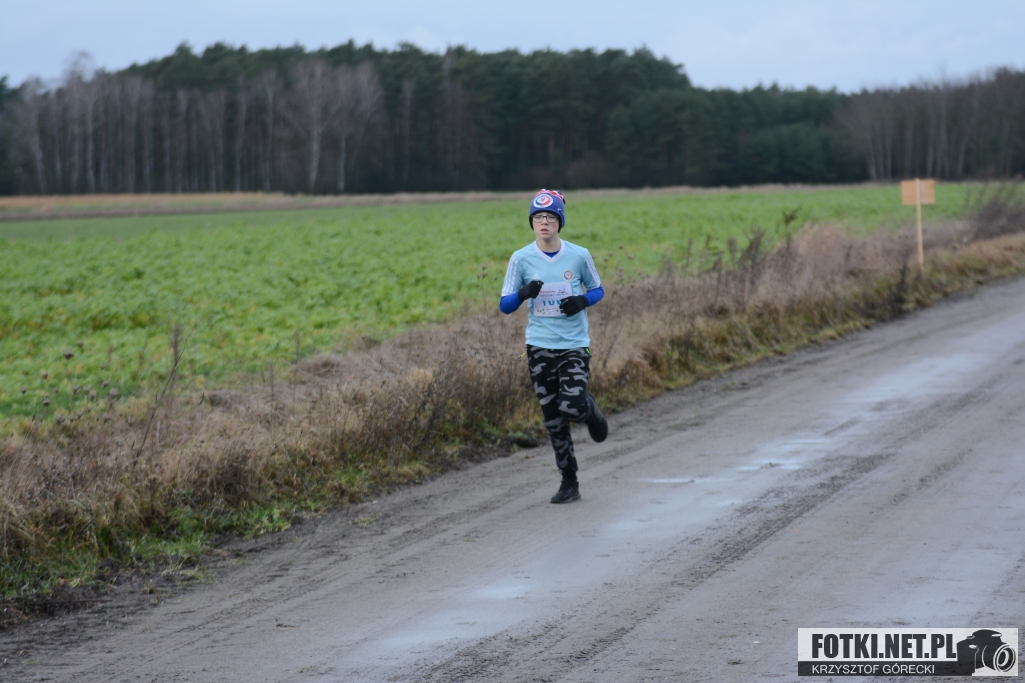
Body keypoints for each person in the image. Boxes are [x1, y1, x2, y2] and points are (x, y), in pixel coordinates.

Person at [499, 189, 608, 504]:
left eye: (550, 217)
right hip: (539, 347)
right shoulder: (521, 258)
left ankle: (590, 411)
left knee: (572, 406)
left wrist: (581, 301)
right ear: (532, 223)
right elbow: (505, 305)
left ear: (560, 221)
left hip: (573, 345)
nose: (543, 222)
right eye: (538, 218)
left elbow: (598, 289)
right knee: (553, 419)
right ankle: (569, 481)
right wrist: (523, 294)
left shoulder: (578, 255)